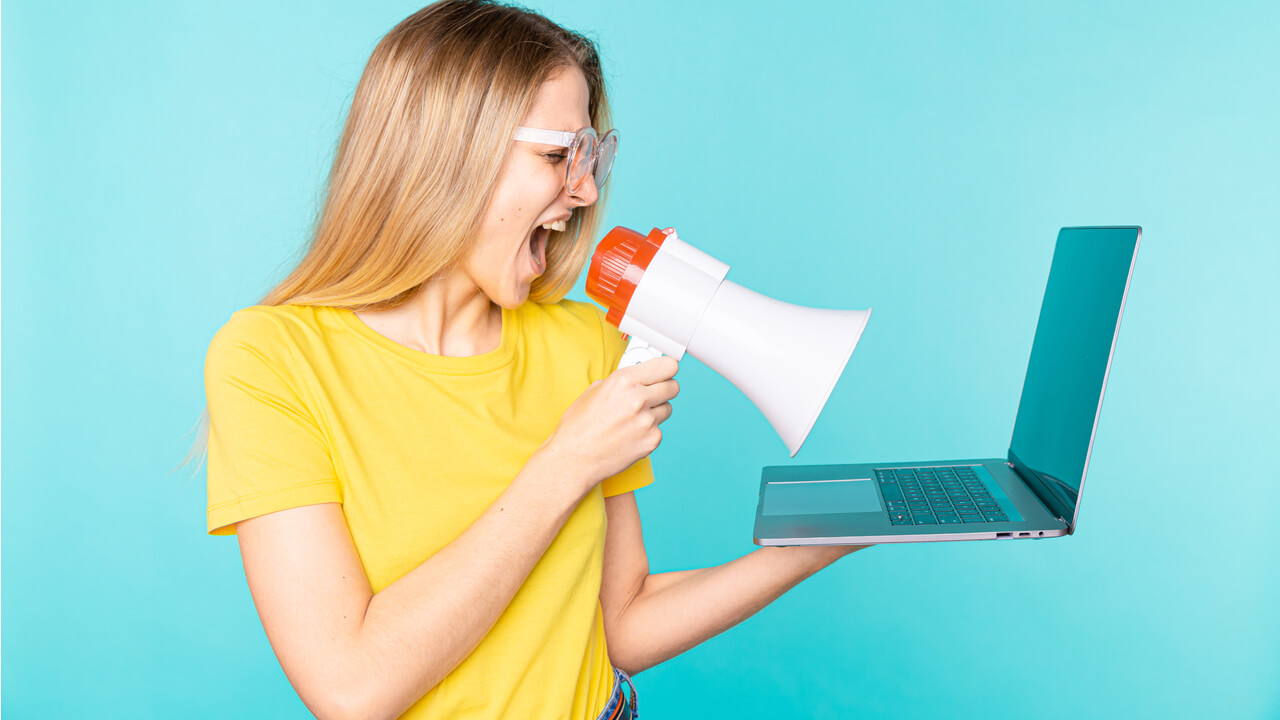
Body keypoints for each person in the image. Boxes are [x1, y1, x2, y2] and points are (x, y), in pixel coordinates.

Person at [190, 2, 867, 718]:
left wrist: (821, 545)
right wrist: (567, 459)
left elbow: (623, 624)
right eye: (556, 157)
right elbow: (352, 687)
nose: (585, 192)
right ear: (443, 150)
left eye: (591, 158)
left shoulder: (583, 345)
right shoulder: (271, 360)